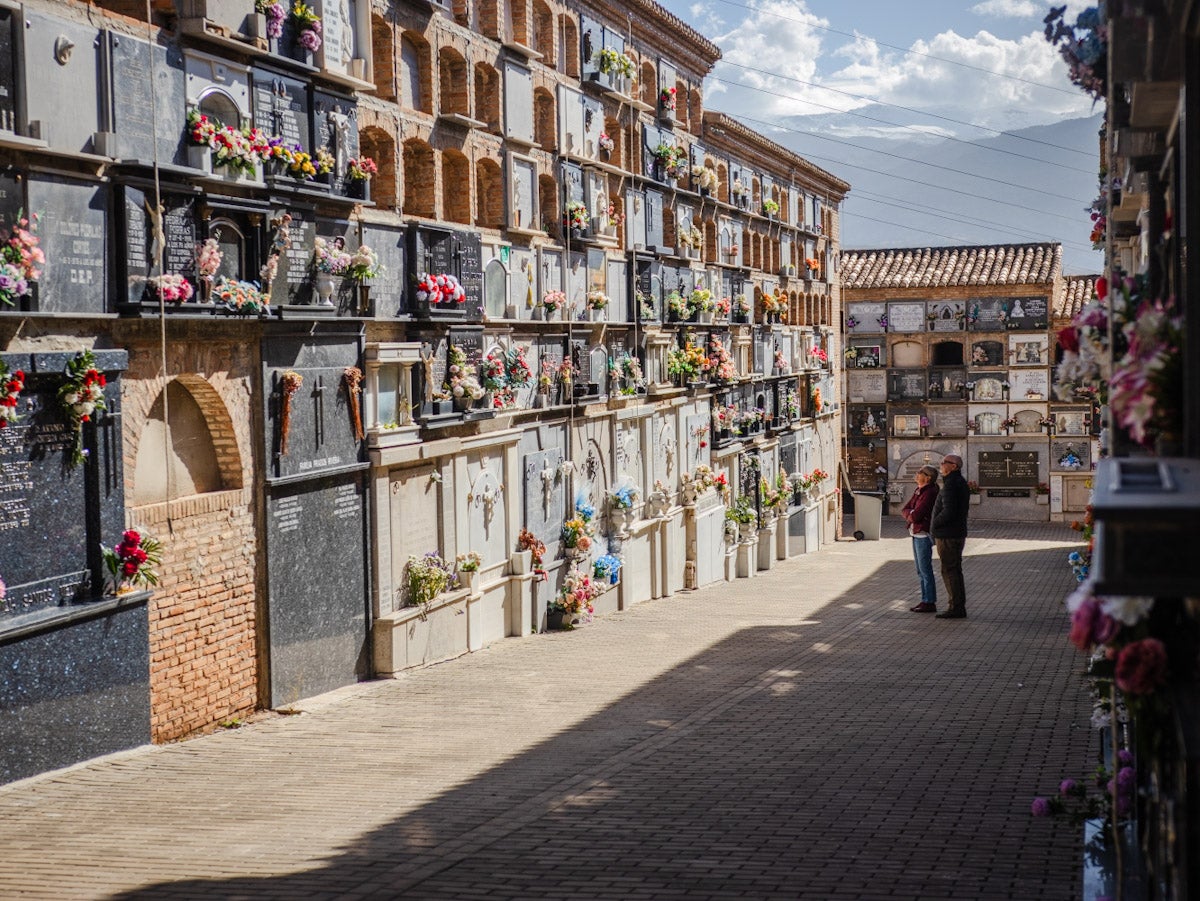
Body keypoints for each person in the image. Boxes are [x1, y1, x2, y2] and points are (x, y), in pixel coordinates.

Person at [930, 454, 970, 619]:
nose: (941, 464)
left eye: (944, 462)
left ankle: (956, 607)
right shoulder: (957, 483)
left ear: (954, 466)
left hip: (948, 534)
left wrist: (934, 524)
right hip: (955, 532)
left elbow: (949, 511)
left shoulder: (952, 485)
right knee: (954, 569)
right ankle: (957, 605)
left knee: (949, 570)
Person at [901, 465, 940, 613]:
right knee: (920, 570)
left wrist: (911, 514)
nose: (917, 475)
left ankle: (929, 601)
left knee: (925, 569)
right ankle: (925, 600)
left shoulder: (929, 492)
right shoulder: (919, 490)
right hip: (915, 532)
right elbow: (905, 508)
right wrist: (910, 513)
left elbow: (917, 515)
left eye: (920, 473)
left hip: (923, 533)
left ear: (928, 477)